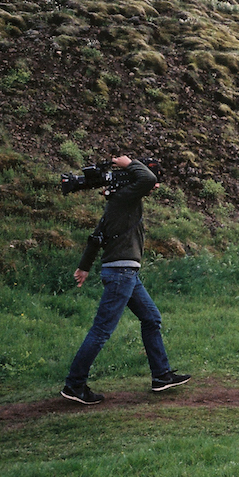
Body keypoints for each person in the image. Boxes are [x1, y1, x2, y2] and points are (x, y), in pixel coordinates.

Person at [61, 155, 190, 404]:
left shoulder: (118, 202)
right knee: (101, 330)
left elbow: (97, 236)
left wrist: (84, 266)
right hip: (121, 273)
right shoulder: (124, 198)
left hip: (125, 273)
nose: (156, 185)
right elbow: (148, 178)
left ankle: (161, 375)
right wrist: (129, 163)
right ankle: (74, 384)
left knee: (151, 318)